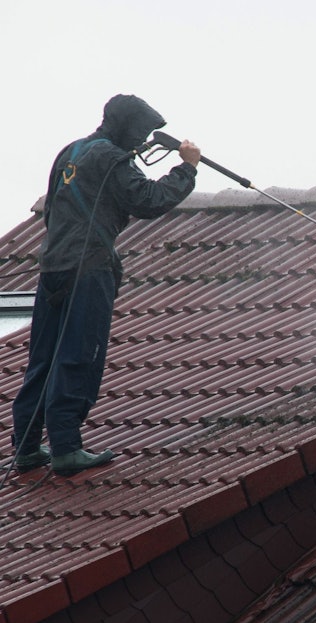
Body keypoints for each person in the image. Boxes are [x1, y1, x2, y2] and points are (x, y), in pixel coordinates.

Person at [11, 94, 201, 476]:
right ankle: (65, 448)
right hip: (88, 269)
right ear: (127, 125)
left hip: (52, 267)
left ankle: (26, 447)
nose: (141, 140)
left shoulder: (71, 151)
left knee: (43, 358)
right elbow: (148, 200)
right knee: (80, 352)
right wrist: (187, 169)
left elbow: (52, 210)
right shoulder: (112, 158)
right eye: (142, 131)